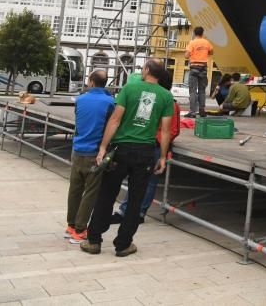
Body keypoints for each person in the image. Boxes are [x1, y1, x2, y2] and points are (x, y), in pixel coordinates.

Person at [82, 59, 174, 257]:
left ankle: (94, 240)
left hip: (121, 149)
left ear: (147, 70)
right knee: (135, 199)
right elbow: (165, 131)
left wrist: (103, 147)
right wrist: (163, 157)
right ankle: (123, 244)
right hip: (146, 151)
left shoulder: (129, 89)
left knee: (107, 194)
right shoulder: (166, 96)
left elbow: (115, 120)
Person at [113, 69, 181, 224]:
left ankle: (137, 213)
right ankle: (127, 211)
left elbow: (172, 130)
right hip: (146, 144)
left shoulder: (169, 101)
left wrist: (160, 143)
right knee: (138, 181)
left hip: (155, 146)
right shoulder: (153, 98)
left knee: (147, 182)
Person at [65, 70, 114, 243]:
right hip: (95, 153)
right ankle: (80, 230)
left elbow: (79, 121)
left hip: (77, 149)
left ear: (92, 82)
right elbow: (111, 125)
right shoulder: (110, 102)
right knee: (90, 193)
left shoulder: (80, 100)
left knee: (75, 189)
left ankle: (71, 225)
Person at [184, 26, 213, 118]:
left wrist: (191, 53)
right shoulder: (206, 42)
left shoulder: (192, 42)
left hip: (194, 67)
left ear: (194, 33)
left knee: (192, 91)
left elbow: (186, 56)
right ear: (202, 33)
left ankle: (192, 112)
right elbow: (211, 52)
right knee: (202, 91)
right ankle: (202, 111)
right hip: (203, 68)